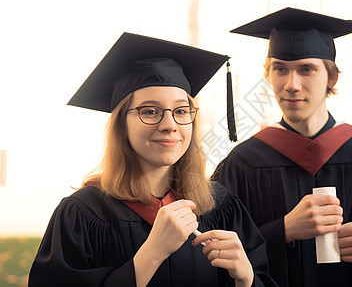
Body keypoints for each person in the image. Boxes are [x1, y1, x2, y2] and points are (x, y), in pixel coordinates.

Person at [29, 32, 277, 287]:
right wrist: (152, 254)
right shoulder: (82, 214)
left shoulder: (222, 207)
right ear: (121, 124)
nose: (169, 125)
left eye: (181, 111)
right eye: (150, 111)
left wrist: (247, 279)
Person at [213, 8, 352, 287]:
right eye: (280, 69)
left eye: (306, 69)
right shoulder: (241, 164)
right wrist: (283, 231)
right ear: (268, 75)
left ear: (332, 78)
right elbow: (214, 258)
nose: (291, 85)